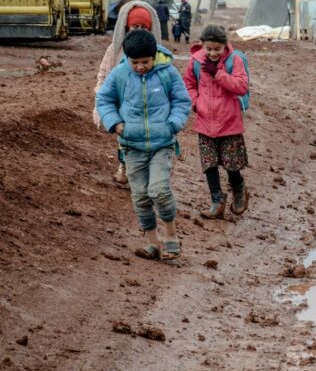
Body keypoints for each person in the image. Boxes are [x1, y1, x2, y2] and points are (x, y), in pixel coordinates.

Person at [96, 29, 191, 260]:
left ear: (154, 56)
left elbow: (182, 100)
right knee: (140, 196)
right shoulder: (120, 74)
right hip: (132, 146)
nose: (140, 66)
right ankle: (152, 242)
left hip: (162, 144)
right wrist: (115, 123)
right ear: (127, 59)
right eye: (134, 62)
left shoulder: (167, 72)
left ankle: (171, 237)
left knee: (159, 190)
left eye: (145, 62)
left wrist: (173, 124)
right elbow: (104, 99)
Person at [185, 24, 251, 219]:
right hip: (205, 122)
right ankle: (217, 201)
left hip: (229, 122)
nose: (213, 53)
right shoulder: (195, 61)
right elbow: (188, 84)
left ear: (225, 45)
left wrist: (218, 73)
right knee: (210, 164)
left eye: (217, 49)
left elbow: (241, 86)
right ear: (202, 45)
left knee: (231, 164)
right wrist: (196, 103)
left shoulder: (234, 60)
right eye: (209, 49)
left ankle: (239, 190)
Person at [93, 1, 161, 185]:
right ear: (126, 26)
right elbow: (104, 74)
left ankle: (142, 172)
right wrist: (101, 99)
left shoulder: (156, 52)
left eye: (143, 27)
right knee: (124, 139)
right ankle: (124, 166)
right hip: (123, 103)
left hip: (147, 103)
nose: (138, 30)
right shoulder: (115, 50)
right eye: (135, 26)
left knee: (145, 139)